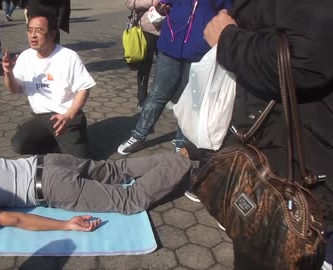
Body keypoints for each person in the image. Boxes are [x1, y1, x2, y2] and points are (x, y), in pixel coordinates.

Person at [185, 0, 333, 269]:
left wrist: (228, 40)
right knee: (255, 243)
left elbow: (306, 60)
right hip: (269, 153)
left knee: (295, 248)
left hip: (305, 167)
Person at [0, 151, 193, 231]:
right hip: (49, 160)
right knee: (114, 170)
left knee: (130, 200)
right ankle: (179, 155)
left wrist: (65, 225)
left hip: (52, 186)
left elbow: (17, 220)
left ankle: (183, 162)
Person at [117, 0, 231, 156]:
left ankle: (182, 142)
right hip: (171, 44)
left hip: (200, 49)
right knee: (158, 94)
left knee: (190, 100)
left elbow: (226, 10)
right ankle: (138, 134)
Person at [2, 14, 95, 158]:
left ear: (52, 34)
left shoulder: (68, 57)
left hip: (66, 118)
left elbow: (84, 89)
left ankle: (75, 138)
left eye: (39, 30)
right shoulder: (25, 57)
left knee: (81, 164)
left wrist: (68, 116)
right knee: (18, 144)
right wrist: (8, 73)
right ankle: (56, 145)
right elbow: (15, 89)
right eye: (30, 30)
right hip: (41, 117)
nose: (33, 36)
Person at [125, 0, 160, 111]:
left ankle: (165, 97)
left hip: (169, 32)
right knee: (144, 68)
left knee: (167, 68)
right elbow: (130, 3)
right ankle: (142, 98)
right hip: (146, 31)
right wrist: (151, 2)